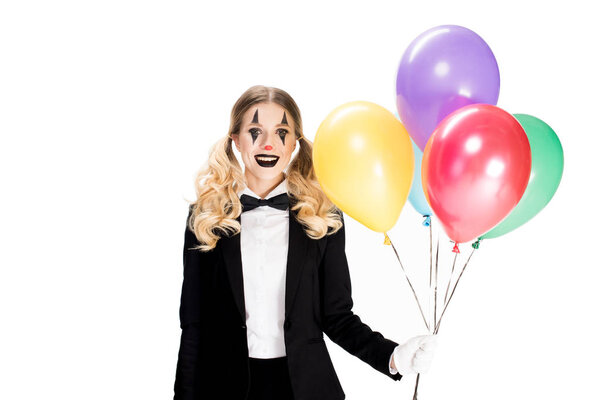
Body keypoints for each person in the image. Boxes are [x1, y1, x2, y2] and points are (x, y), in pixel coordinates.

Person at [173, 85, 437, 400]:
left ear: (295, 141)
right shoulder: (207, 217)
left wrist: (393, 357)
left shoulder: (322, 216)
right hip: (223, 387)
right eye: (255, 131)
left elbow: (337, 316)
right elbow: (194, 326)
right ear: (236, 140)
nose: (269, 143)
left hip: (306, 388)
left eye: (281, 132)